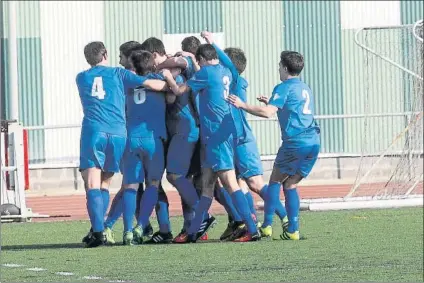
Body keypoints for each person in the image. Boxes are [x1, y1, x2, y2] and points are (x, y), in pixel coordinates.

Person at [162, 42, 260, 243]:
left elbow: (180, 91)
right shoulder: (226, 70)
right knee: (207, 186)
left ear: (202, 60)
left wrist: (168, 78)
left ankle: (251, 228)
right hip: (216, 136)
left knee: (230, 184)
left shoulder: (205, 73)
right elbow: (225, 62)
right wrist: (210, 40)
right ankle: (192, 233)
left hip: (216, 136)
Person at [76, 41, 167, 248]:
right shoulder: (119, 74)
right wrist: (167, 83)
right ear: (105, 54)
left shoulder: (81, 77)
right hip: (118, 133)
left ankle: (98, 231)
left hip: (94, 131)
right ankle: (114, 228)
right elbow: (149, 84)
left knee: (91, 183)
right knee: (106, 182)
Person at [202, 31, 289, 240]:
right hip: (234, 137)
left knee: (253, 184)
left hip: (240, 138)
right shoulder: (234, 81)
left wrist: (211, 44)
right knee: (238, 185)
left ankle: (285, 218)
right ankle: (249, 223)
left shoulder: (233, 80)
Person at [227, 51, 320, 240]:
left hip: (296, 142)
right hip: (314, 141)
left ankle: (267, 226)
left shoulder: (284, 86)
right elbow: (294, 108)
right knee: (291, 184)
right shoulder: (304, 87)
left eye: (279, 65)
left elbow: (268, 113)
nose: (278, 68)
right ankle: (292, 230)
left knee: (275, 182)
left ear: (285, 68)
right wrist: (271, 102)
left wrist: (243, 105)